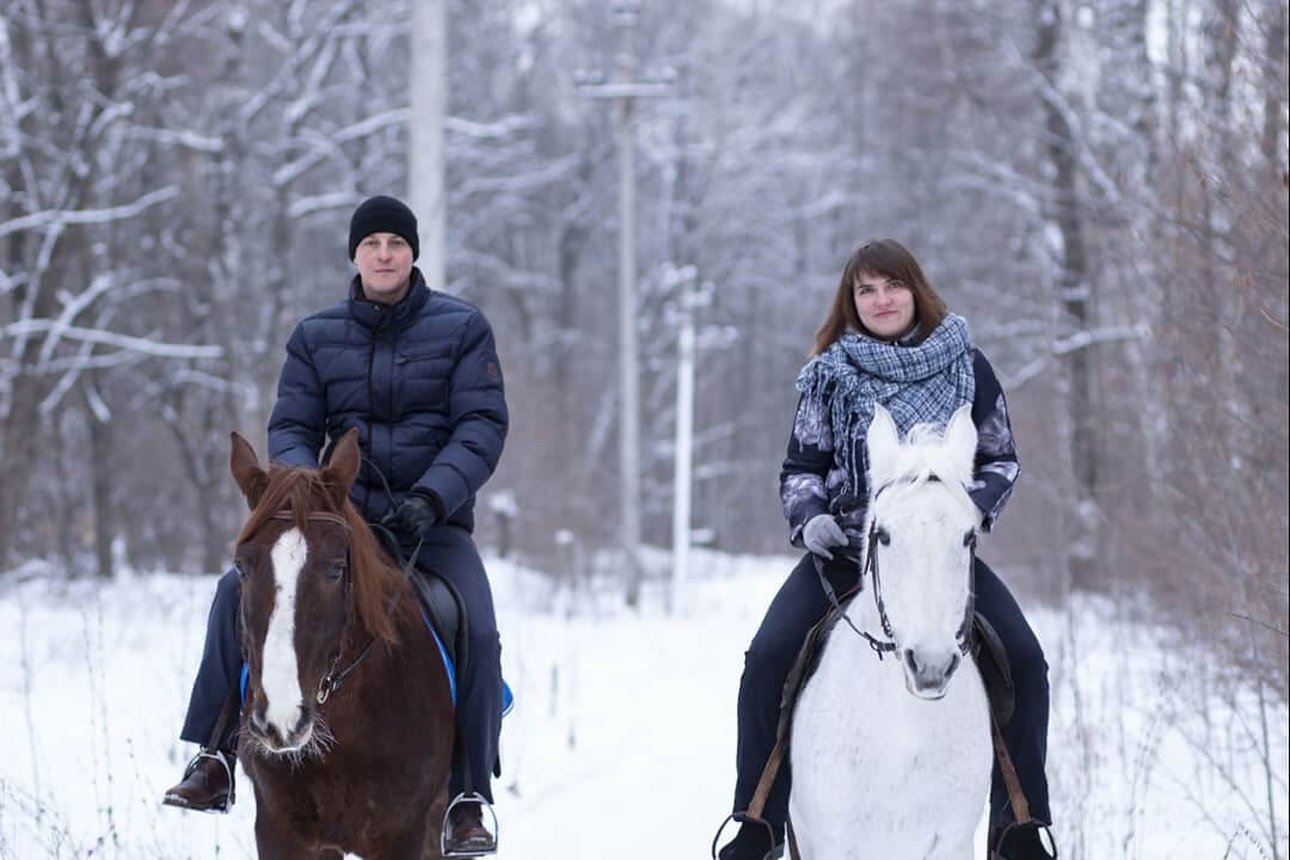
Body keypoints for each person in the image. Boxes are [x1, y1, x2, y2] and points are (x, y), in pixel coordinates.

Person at [162, 195, 509, 856]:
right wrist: (308, 486)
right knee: (235, 593)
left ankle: (468, 795)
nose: (384, 254)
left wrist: (432, 497)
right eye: (372, 243)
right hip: (327, 519)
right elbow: (291, 421)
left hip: (427, 528)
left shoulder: (462, 330)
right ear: (355, 254)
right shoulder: (315, 336)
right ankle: (213, 756)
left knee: (480, 629)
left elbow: (480, 426)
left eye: (396, 244)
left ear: (412, 254)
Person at [717, 239, 1054, 860]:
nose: (880, 300)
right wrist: (810, 517)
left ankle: (1020, 827)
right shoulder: (827, 373)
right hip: (845, 552)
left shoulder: (967, 365)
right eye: (865, 291)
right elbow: (800, 468)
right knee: (767, 660)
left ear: (914, 289)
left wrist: (967, 509)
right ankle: (756, 823)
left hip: (939, 550)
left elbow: (1002, 457)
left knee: (1026, 662)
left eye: (890, 286)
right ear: (851, 301)